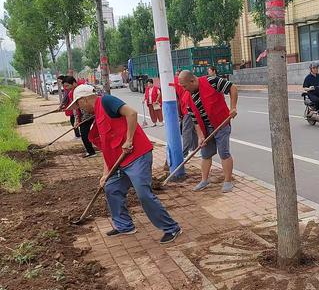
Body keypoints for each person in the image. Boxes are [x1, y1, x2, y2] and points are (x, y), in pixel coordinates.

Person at [67, 84, 182, 243]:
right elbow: (107, 150)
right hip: (120, 161)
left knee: (143, 194)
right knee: (111, 187)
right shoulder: (98, 118)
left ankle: (172, 228)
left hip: (137, 155)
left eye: (78, 104)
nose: (79, 108)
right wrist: (105, 173)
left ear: (85, 99)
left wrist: (128, 140)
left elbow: (132, 113)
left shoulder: (107, 101)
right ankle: (124, 226)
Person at [178, 70, 238, 193]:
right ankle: (204, 180)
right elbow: (195, 119)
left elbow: (232, 87)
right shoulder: (188, 97)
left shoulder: (211, 81)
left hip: (221, 124)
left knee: (224, 153)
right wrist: (200, 136)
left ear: (192, 81)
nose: (184, 89)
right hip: (206, 128)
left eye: (185, 86)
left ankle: (227, 181)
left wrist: (233, 107)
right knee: (205, 155)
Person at [171, 73, 198, 158]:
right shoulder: (178, 82)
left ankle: (185, 153)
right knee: (193, 130)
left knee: (186, 130)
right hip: (190, 107)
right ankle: (195, 149)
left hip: (187, 108)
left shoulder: (173, 85)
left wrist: (180, 114)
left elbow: (177, 101)